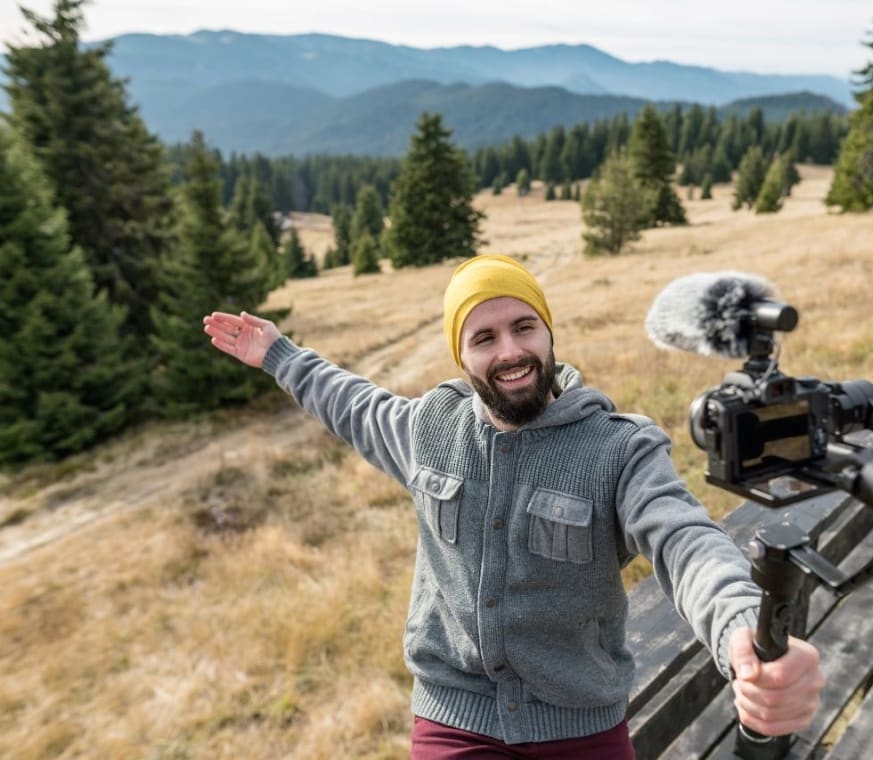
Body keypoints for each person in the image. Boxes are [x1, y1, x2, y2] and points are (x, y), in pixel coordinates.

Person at [203, 254, 824, 758]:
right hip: (456, 721)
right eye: (484, 336)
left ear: (549, 333)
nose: (509, 351)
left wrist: (742, 625)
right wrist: (280, 355)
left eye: (524, 327)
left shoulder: (619, 447)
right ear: (461, 355)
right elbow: (353, 404)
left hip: (581, 723)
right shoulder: (429, 428)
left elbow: (685, 540)